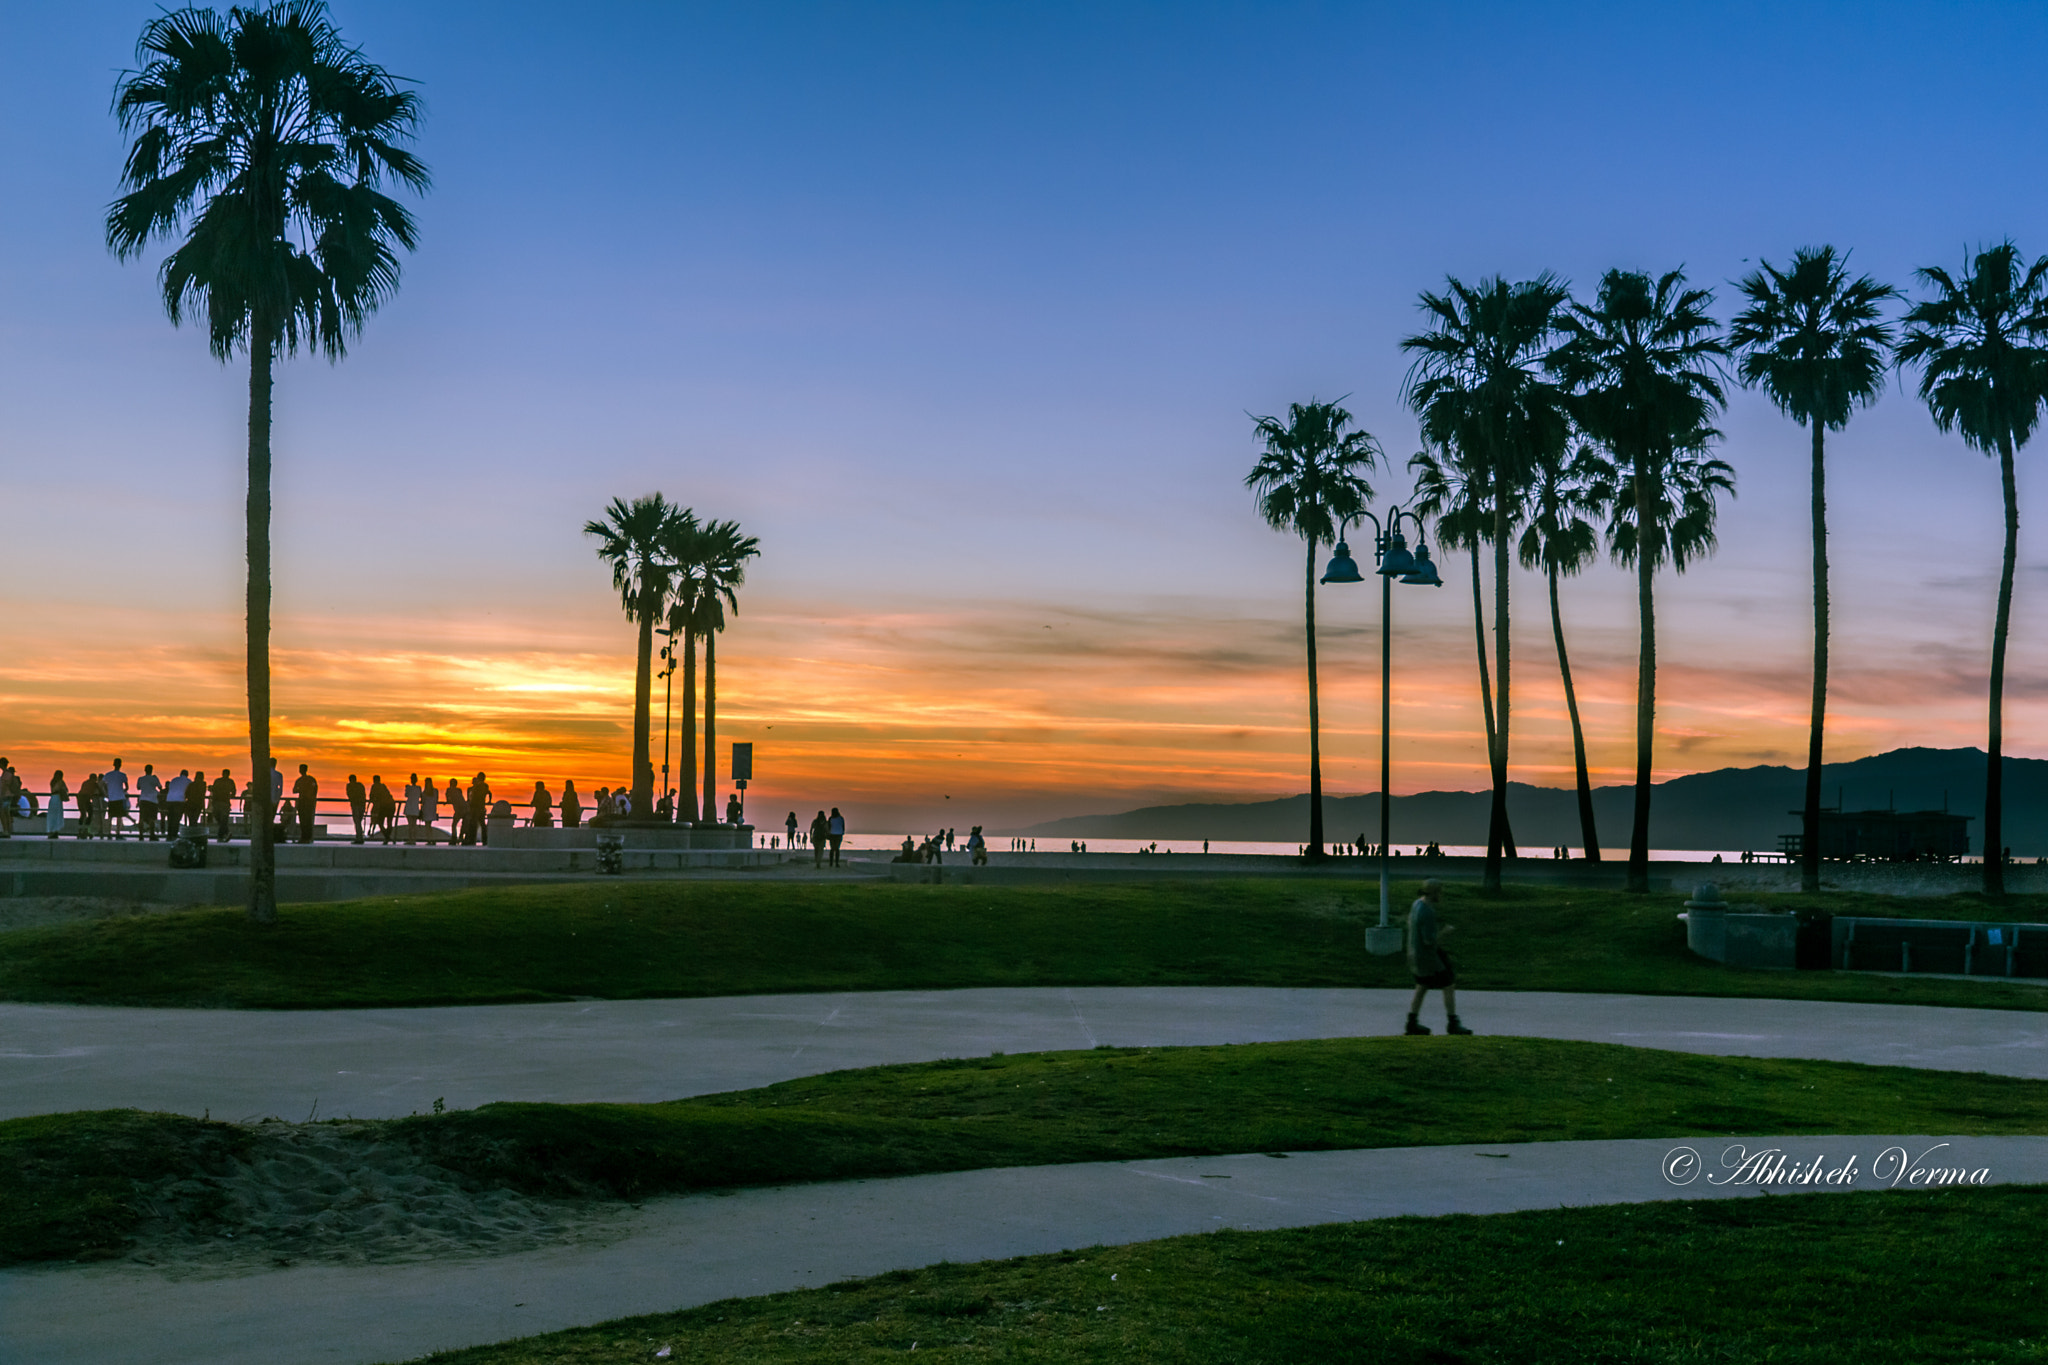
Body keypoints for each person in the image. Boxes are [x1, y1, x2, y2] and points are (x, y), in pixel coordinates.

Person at [1404, 879, 1471, 1036]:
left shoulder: (1416, 904)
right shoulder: (1427, 911)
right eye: (1440, 891)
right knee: (1448, 984)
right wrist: (1445, 932)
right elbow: (1429, 941)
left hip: (1414, 954)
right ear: (1434, 893)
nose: (1441, 895)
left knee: (1422, 986)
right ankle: (1453, 1023)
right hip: (1427, 958)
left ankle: (1411, 1023)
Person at [102, 759, 131, 839]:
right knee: (119, 816)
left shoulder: (108, 774)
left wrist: (106, 793)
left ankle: (108, 833)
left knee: (110, 816)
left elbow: (102, 784)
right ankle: (117, 834)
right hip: (120, 797)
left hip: (111, 798)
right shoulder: (123, 775)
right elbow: (127, 787)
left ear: (113, 764)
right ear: (120, 765)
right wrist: (122, 791)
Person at [293, 764, 319, 843]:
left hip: (305, 802)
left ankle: (306, 838)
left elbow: (295, 790)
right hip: (306, 802)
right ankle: (306, 837)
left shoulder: (301, 780)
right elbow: (294, 790)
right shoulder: (309, 779)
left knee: (305, 821)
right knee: (306, 821)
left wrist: (302, 790)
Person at [136, 763, 163, 841]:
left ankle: (140, 835)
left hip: (143, 799)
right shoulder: (154, 779)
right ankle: (152, 835)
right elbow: (160, 787)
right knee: (152, 818)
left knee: (141, 818)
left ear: (145, 770)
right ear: (152, 770)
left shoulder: (140, 779)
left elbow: (138, 787)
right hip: (153, 800)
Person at [163, 768, 190, 840]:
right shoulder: (188, 781)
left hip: (169, 799)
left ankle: (169, 835)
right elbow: (190, 791)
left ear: (180, 774)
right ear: (187, 775)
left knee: (170, 818)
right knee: (176, 818)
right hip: (179, 800)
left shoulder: (174, 779)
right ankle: (174, 835)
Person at [210, 769, 235, 841]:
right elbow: (234, 792)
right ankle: (226, 833)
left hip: (217, 802)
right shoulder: (230, 782)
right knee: (223, 820)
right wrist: (230, 795)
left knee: (220, 819)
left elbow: (213, 789)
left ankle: (221, 835)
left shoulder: (217, 781)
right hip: (224, 802)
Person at [369, 775, 395, 842]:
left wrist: (374, 801)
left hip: (383, 806)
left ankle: (387, 836)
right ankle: (387, 837)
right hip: (391, 805)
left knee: (380, 822)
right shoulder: (383, 786)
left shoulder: (374, 786)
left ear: (374, 780)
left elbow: (371, 797)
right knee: (389, 822)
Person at [467, 772, 490, 846]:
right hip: (481, 807)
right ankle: (485, 840)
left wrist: (471, 805)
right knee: (482, 824)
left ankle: (472, 840)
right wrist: (489, 801)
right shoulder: (486, 786)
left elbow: (474, 797)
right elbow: (489, 793)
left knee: (473, 824)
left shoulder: (477, 786)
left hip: (475, 807)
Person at [45, 770, 69, 839]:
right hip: (57, 799)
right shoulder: (60, 782)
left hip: (53, 798)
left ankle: (51, 831)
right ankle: (55, 831)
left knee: (52, 816)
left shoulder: (52, 781)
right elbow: (65, 789)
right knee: (57, 816)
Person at [346, 774, 367, 843]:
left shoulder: (349, 786)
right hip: (362, 805)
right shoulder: (360, 785)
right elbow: (364, 795)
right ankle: (360, 837)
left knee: (357, 822)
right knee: (358, 822)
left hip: (355, 805)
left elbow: (349, 795)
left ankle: (359, 838)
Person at [403, 774, 422, 843]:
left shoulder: (409, 788)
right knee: (414, 825)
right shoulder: (419, 788)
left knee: (410, 825)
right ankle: (413, 839)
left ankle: (410, 839)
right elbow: (420, 796)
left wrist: (406, 788)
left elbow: (406, 795)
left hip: (409, 807)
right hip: (415, 808)